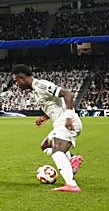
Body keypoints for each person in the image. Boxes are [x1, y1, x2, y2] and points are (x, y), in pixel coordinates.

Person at [12, 65, 82, 193]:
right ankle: (72, 160)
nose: (17, 84)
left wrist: (68, 117)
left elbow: (68, 95)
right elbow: (55, 105)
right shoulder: (36, 90)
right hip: (60, 121)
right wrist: (45, 117)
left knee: (57, 152)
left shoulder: (41, 85)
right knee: (45, 146)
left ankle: (71, 185)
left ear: (21, 78)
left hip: (66, 122)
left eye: (16, 81)